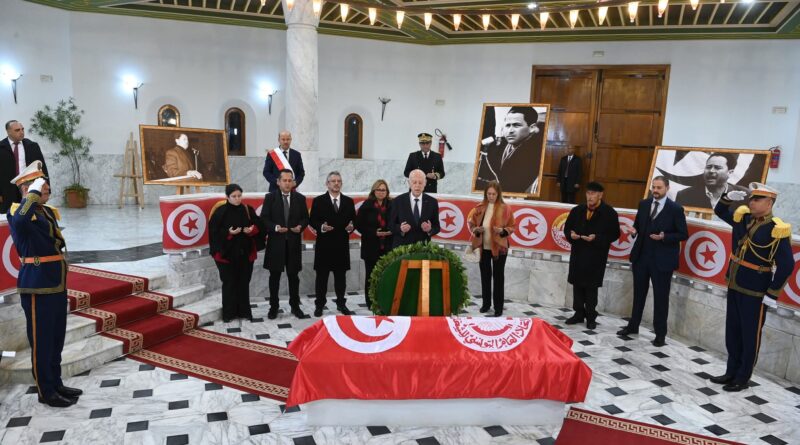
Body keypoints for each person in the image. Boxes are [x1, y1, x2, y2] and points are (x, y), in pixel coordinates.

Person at [7, 161, 82, 407]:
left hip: (55, 281)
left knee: (56, 337)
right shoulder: (19, 211)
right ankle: (45, 391)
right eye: (40, 183)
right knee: (41, 341)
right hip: (37, 284)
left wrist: (37, 196)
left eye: (45, 182)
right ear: (26, 188)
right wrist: (32, 195)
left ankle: (56, 383)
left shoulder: (46, 211)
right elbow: (19, 222)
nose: (46, 186)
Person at [709, 183, 794, 392]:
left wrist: (772, 294)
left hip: (756, 292)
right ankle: (731, 371)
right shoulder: (744, 219)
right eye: (751, 198)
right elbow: (719, 211)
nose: (751, 202)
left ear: (769, 203)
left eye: (757, 199)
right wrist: (727, 197)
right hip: (735, 285)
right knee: (733, 332)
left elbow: (787, 264)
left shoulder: (776, 228)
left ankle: (742, 377)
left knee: (749, 336)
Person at [617, 176, 688, 347]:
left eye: (659, 188)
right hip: (641, 257)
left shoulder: (676, 209)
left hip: (662, 261)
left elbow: (683, 234)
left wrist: (665, 237)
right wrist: (634, 231)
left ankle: (660, 334)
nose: (655, 191)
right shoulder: (643, 204)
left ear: (667, 188)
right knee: (638, 294)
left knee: (661, 298)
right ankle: (633, 326)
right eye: (653, 187)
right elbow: (638, 227)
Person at [563, 182, 620, 329]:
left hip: (596, 256)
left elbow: (615, 234)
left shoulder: (609, 213)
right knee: (577, 285)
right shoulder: (577, 210)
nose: (590, 196)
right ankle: (578, 313)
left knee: (591, 287)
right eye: (588, 193)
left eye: (593, 193)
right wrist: (571, 235)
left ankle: (590, 316)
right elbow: (567, 228)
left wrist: (597, 238)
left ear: (600, 195)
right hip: (578, 253)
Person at [208, 184, 265, 322]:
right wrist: (228, 233)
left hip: (245, 254)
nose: (237, 199)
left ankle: (244, 312)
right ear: (227, 197)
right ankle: (228, 314)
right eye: (234, 196)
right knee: (229, 283)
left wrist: (252, 230)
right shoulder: (220, 212)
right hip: (226, 255)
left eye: (239, 196)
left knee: (244, 282)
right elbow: (213, 232)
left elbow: (259, 225)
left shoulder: (247, 209)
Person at [260, 169, 309, 320]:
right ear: (278, 182)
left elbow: (305, 218)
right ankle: (273, 307)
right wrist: (275, 227)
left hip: (293, 244)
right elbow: (264, 218)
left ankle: (295, 306)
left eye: (290, 181)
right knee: (274, 277)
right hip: (276, 244)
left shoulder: (300, 198)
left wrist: (300, 226)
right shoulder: (270, 198)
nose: (287, 183)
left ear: (293, 182)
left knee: (293, 277)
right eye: (285, 180)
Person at [310, 171, 356, 317]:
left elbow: (353, 220)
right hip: (324, 245)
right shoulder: (318, 201)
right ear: (327, 184)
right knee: (321, 278)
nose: (336, 183)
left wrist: (351, 227)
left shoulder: (349, 201)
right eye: (333, 181)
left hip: (341, 245)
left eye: (339, 181)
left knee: (340, 278)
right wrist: (322, 227)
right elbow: (313, 220)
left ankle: (341, 304)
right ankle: (319, 305)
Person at [467, 181, 516, 317]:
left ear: (498, 194)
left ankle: (498, 307)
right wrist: (476, 229)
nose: (491, 196)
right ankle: (486, 304)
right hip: (483, 248)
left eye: (494, 194)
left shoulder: (505, 208)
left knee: (498, 277)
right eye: (489, 194)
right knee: (485, 276)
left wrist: (503, 230)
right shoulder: (479, 207)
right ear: (485, 194)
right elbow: (471, 223)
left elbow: (512, 226)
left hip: (499, 248)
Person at [475, 107, 543, 195]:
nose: (510, 131)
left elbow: (513, 186)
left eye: (516, 125)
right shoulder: (498, 146)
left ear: (532, 127)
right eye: (508, 125)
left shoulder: (535, 153)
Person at [355, 179, 393, 309]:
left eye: (383, 190)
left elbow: (396, 221)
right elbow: (358, 225)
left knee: (386, 276)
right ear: (374, 191)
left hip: (387, 247)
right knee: (371, 276)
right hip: (371, 247)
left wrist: (390, 231)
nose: (381, 192)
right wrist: (373, 232)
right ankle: (370, 302)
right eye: (378, 189)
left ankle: (383, 300)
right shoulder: (366, 205)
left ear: (387, 192)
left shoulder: (392, 205)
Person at [1, 120, 49, 213]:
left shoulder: (32, 146)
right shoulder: (1, 147)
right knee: (10, 215)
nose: (21, 132)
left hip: (29, 187)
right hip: (8, 189)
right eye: (17, 130)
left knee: (31, 214)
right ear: (8, 131)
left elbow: (42, 168)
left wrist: (46, 188)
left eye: (22, 129)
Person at [675, 152, 748, 209]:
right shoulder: (685, 196)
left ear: (730, 172)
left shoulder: (745, 195)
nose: (711, 171)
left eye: (717, 168)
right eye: (708, 167)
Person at [389, 169, 440, 248]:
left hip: (423, 249)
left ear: (425, 183)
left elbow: (437, 227)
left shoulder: (432, 202)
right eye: (414, 182)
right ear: (409, 183)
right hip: (401, 249)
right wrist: (400, 229)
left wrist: (430, 229)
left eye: (420, 182)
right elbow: (390, 225)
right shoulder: (397, 201)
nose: (417, 185)